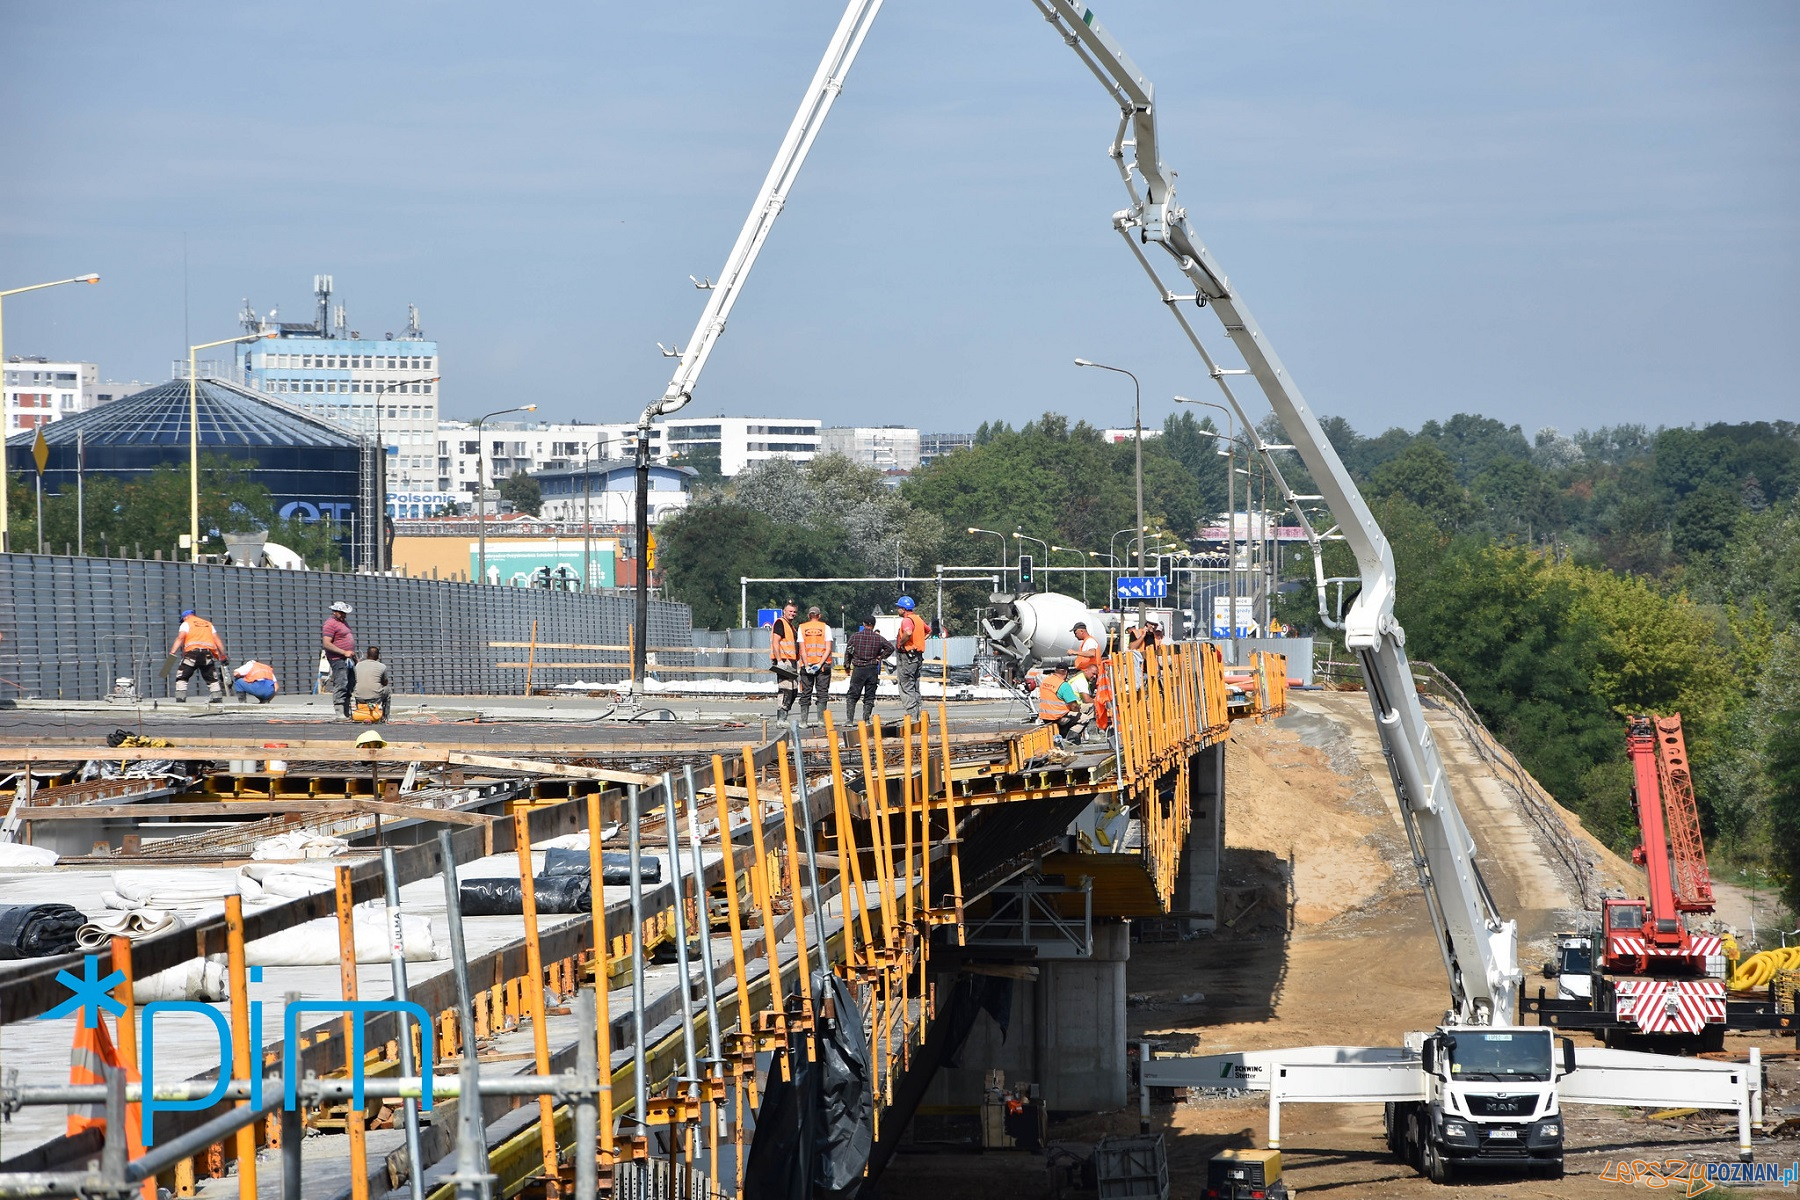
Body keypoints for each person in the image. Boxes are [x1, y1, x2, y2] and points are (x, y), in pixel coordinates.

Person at [842, 613, 894, 726]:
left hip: (858, 669)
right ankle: (866, 719)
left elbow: (848, 652)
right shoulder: (878, 638)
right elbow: (890, 647)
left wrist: (846, 666)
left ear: (864, 624)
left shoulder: (855, 637)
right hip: (872, 669)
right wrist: (880, 657)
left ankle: (849, 720)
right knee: (869, 695)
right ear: (874, 625)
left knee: (852, 695)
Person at [169, 608, 226, 704]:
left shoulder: (186, 623)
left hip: (192, 654)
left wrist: (172, 653)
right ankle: (217, 698)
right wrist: (223, 655)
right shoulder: (208, 624)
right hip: (207, 654)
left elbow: (180, 638)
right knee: (211, 677)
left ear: (185, 617)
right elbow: (217, 640)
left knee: (182, 676)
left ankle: (180, 699)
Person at [795, 606, 835, 728]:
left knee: (806, 692)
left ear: (808, 616)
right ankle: (821, 721)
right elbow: (828, 649)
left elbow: (802, 650)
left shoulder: (802, 628)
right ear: (819, 616)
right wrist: (819, 664)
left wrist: (807, 665)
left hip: (807, 666)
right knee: (822, 693)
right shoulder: (825, 628)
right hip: (823, 666)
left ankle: (803, 721)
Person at [894, 594, 928, 720]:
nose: (898, 610)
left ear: (903, 609)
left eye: (899, 607)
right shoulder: (918, 619)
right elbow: (928, 631)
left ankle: (912, 717)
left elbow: (908, 632)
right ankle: (919, 716)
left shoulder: (907, 620)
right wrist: (919, 642)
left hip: (907, 657)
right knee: (915, 686)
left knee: (906, 686)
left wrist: (901, 643)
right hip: (917, 657)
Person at [1036, 664, 1088, 745]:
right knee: (1084, 718)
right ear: (1066, 673)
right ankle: (1070, 741)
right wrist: (1078, 713)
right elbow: (1074, 706)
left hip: (1045, 716)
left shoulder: (1045, 681)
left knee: (1088, 708)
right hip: (1058, 716)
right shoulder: (1063, 685)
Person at [768, 600, 801, 725]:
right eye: (790, 611)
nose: (792, 614)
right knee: (785, 689)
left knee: (793, 690)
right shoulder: (780, 623)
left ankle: (784, 714)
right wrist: (779, 660)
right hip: (784, 660)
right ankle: (781, 719)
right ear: (784, 611)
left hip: (792, 661)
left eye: (794, 612)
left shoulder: (791, 626)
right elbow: (775, 641)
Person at [322, 601, 356, 718]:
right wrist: (343, 652)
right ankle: (339, 712)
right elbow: (327, 643)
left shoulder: (343, 622)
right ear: (335, 612)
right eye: (341, 613)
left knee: (350, 683)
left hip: (347, 659)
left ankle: (346, 710)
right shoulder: (330, 624)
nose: (343, 615)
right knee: (341, 683)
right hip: (337, 658)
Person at [353, 645, 392, 722]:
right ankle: (385, 716)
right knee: (388, 690)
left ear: (366, 655)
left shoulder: (358, 665)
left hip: (359, 697)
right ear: (378, 656)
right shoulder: (382, 666)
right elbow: (385, 682)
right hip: (375, 698)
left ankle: (359, 711)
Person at [1072, 621, 1103, 687]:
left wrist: (1075, 652)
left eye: (1075, 633)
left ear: (1082, 631)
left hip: (1090, 673)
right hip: (1087, 672)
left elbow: (1092, 653)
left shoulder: (1090, 641)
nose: (1075, 635)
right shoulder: (1087, 641)